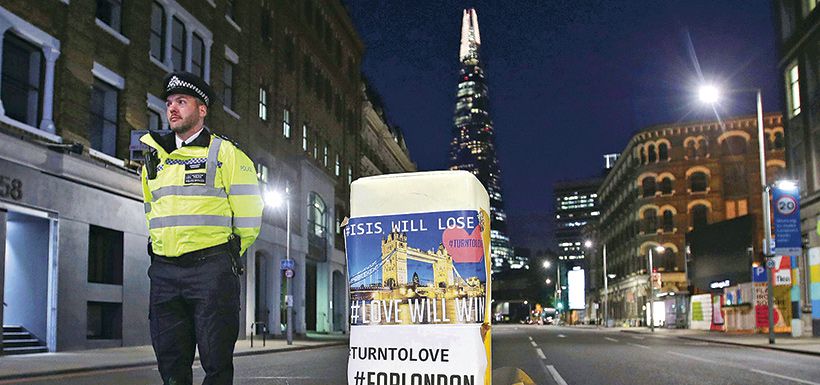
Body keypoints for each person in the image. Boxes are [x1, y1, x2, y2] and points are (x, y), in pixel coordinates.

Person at [140, 71, 263, 385]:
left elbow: (249, 216)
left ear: (202, 109)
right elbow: (150, 209)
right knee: (170, 364)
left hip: (211, 270)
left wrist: (230, 253)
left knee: (216, 363)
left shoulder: (225, 154)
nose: (172, 109)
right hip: (164, 272)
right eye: (169, 102)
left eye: (182, 101)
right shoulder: (155, 157)